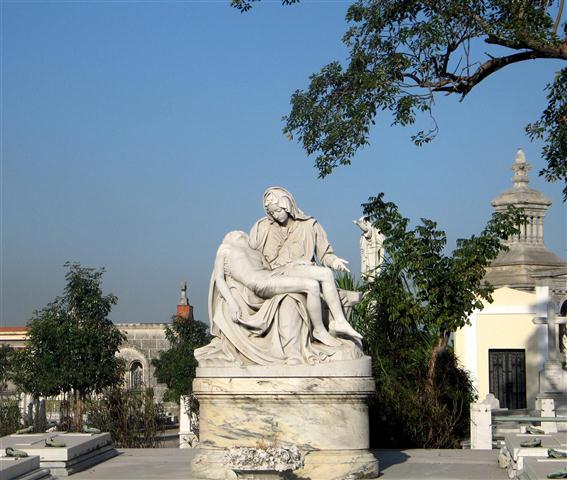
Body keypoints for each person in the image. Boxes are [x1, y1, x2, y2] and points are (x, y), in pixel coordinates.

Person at [214, 231, 361, 347]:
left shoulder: (255, 252)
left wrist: (295, 264)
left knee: (325, 273)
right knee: (312, 286)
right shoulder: (225, 248)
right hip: (260, 283)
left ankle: (340, 321)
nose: (241, 233)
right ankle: (319, 330)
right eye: (237, 234)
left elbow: (272, 269)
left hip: (271, 275)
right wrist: (232, 302)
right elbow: (219, 278)